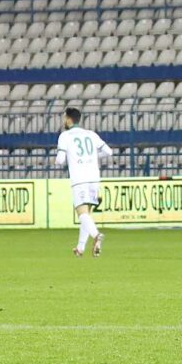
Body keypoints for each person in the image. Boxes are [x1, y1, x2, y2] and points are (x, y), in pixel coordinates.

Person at [56, 107, 113, 257]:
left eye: (64, 117)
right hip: (94, 178)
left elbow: (60, 160)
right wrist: (92, 157)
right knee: (87, 214)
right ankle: (80, 247)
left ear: (68, 119)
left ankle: (96, 235)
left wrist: (65, 158)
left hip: (79, 178)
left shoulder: (65, 136)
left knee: (81, 213)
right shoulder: (91, 134)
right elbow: (109, 151)